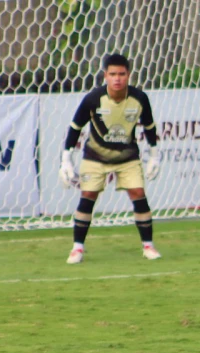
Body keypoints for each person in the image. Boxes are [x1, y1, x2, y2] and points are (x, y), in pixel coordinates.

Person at [59, 53, 161, 264]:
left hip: (128, 157)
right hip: (95, 156)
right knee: (88, 195)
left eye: (121, 74)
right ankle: (77, 248)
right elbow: (75, 128)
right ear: (105, 75)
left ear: (128, 75)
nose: (117, 79)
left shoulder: (140, 98)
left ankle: (148, 246)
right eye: (113, 74)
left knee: (138, 193)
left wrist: (154, 156)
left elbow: (150, 128)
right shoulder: (92, 99)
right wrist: (66, 160)